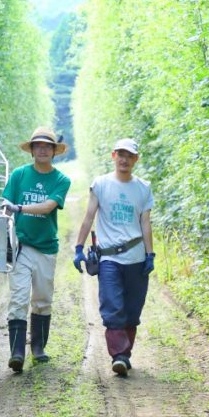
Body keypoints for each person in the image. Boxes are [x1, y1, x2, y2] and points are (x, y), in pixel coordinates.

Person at [73, 137, 155, 376]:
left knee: (132, 309)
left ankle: (125, 355)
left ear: (136, 160)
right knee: (112, 305)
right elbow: (89, 217)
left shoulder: (143, 188)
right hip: (109, 258)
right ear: (113, 156)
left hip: (137, 257)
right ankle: (118, 355)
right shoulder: (100, 184)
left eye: (130, 155)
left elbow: (145, 222)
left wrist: (150, 254)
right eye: (121, 154)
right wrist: (79, 247)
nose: (125, 159)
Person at [1, 127, 71, 372]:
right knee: (18, 298)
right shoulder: (19, 175)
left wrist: (20, 208)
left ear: (54, 151)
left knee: (42, 299)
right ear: (31, 150)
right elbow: (4, 208)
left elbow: (48, 206)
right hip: (21, 246)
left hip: (46, 248)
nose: (42, 149)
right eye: (37, 145)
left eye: (47, 146)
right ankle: (16, 352)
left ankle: (38, 347)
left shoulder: (61, 180)